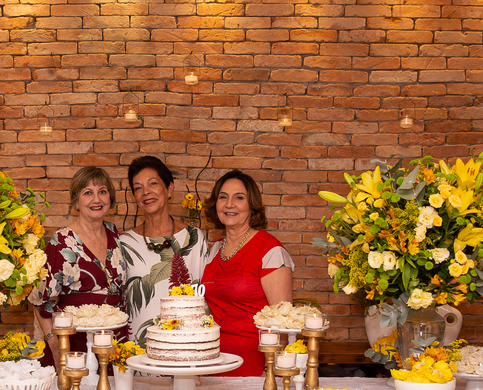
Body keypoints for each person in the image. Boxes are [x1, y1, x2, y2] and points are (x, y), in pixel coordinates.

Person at [200, 169, 294, 377]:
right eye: (223, 197)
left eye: (239, 197)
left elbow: (283, 324)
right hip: (214, 363)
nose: (229, 204)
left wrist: (271, 371)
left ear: (251, 205)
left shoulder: (270, 251)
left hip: (255, 366)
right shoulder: (215, 249)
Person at [31, 167, 127, 364]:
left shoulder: (113, 232)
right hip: (73, 342)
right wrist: (53, 342)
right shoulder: (61, 241)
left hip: (114, 338)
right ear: (76, 201)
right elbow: (41, 299)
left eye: (102, 191)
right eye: (88, 193)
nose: (96, 199)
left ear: (110, 198)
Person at [117, 156, 208, 345]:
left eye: (153, 183)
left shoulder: (194, 238)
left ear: (169, 188)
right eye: (138, 188)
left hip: (185, 344)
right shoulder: (125, 243)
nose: (146, 192)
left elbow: (204, 297)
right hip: (137, 348)